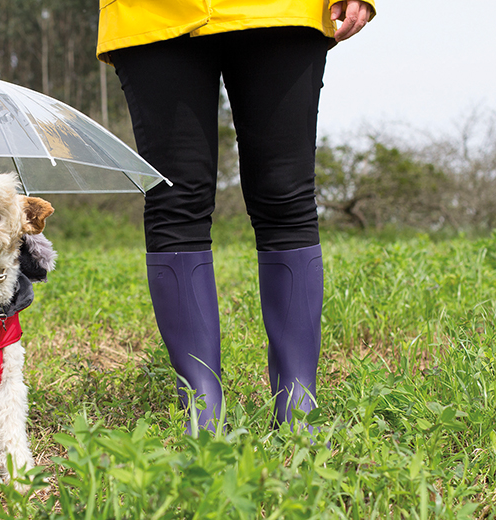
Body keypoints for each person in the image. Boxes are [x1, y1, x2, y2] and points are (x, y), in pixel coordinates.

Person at [97, 0, 375, 433]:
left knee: (286, 197)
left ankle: (298, 402)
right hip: (152, 12)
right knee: (176, 200)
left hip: (283, 9)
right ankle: (201, 406)